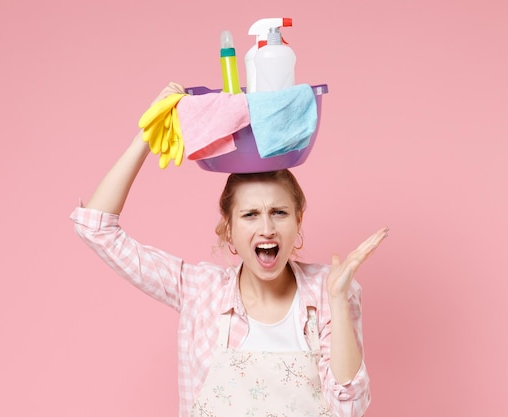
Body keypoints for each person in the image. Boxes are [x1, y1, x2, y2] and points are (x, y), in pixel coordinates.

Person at [70, 82, 388, 417]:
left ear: (298, 220)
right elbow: (96, 229)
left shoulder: (331, 291)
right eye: (250, 215)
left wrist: (337, 302)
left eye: (278, 213)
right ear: (228, 228)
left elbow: (349, 407)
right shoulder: (200, 291)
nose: (266, 228)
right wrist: (148, 137)